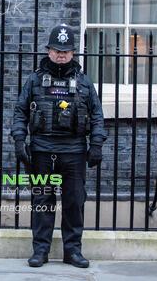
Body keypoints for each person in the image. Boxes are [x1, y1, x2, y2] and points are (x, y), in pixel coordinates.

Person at [10, 23, 106, 269]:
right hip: (42, 151)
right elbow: (20, 111)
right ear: (49, 51)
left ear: (73, 53)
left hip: (74, 151)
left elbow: (97, 115)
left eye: (65, 51)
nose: (61, 55)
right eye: (57, 50)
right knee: (42, 201)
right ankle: (40, 251)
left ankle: (72, 252)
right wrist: (20, 140)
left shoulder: (84, 83)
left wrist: (96, 143)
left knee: (74, 203)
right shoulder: (34, 80)